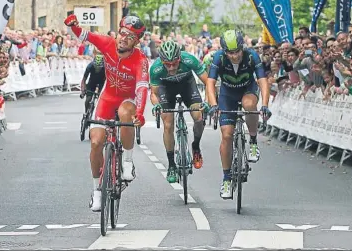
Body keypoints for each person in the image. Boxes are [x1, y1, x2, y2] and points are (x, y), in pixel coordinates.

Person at [64, 14, 149, 212]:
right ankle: (96, 191)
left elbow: (142, 88)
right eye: (122, 33)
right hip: (107, 98)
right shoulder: (107, 44)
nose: (124, 38)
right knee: (95, 142)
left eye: (130, 36)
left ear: (136, 42)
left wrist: (141, 113)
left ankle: (127, 162)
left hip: (127, 100)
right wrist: (73, 26)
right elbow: (86, 35)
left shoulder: (141, 60)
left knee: (126, 112)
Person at [206, 30, 271, 199]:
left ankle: (253, 141)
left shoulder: (252, 56)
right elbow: (210, 83)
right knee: (226, 135)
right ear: (225, 51)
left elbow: (263, 80)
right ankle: (226, 179)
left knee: (249, 104)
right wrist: (213, 105)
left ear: (242, 48)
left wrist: (265, 104)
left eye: (237, 52)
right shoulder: (218, 58)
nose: (234, 56)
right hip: (227, 94)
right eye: (230, 52)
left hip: (247, 89)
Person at [149, 41, 208, 183]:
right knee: (168, 124)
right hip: (166, 88)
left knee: (199, 117)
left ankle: (196, 146)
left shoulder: (189, 59)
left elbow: (208, 82)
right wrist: (156, 105)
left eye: (174, 63)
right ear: (162, 61)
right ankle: (171, 165)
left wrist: (207, 101)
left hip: (187, 85)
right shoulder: (156, 68)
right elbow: (154, 94)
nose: (171, 67)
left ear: (179, 59)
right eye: (167, 64)